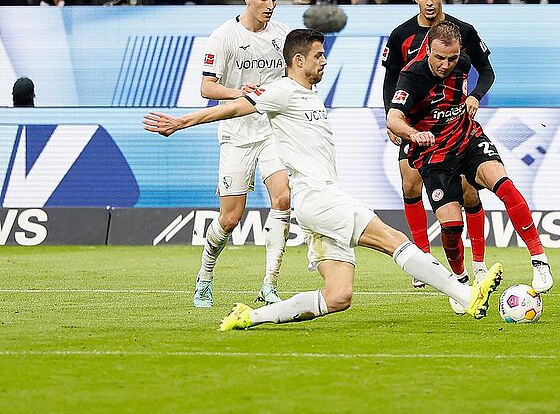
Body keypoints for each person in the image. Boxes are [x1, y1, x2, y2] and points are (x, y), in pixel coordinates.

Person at [144, 28, 504, 329]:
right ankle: (466, 295)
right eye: (319, 55)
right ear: (299, 61)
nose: (324, 61)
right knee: (394, 239)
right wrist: (180, 122)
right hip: (319, 198)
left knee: (338, 296)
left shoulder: (309, 94)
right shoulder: (283, 90)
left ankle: (250, 317)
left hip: (317, 203)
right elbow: (235, 108)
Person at [387, 21, 554, 310]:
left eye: (452, 58)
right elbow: (393, 118)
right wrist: (413, 134)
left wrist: (475, 96)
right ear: (428, 51)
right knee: (451, 227)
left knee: (504, 185)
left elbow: (486, 71)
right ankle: (461, 282)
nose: (446, 65)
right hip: (434, 157)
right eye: (440, 58)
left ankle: (539, 260)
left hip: (468, 139)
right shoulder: (412, 76)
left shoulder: (462, 62)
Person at [381, 0, 501, 298]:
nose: (429, 2)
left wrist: (475, 95)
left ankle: (478, 262)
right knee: (409, 184)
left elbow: (486, 71)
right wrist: (391, 117)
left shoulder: (463, 31)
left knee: (468, 191)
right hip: (415, 124)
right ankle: (424, 261)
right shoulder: (401, 35)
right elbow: (391, 80)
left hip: (453, 124)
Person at [186, 0, 292, 308]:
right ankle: (205, 276)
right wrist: (238, 92)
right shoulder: (224, 36)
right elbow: (207, 87)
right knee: (231, 218)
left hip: (273, 131)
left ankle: (269, 284)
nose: (270, 5)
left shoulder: (283, 35)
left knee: (283, 200)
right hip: (236, 133)